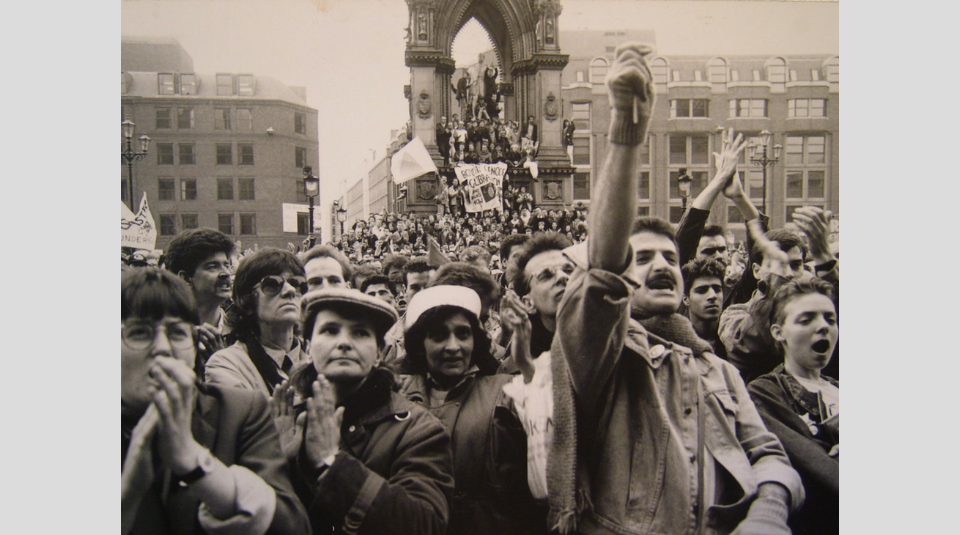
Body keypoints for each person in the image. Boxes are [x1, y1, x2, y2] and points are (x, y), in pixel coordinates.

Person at [546, 43, 802, 535]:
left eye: (669, 257)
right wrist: (626, 135)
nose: (662, 264)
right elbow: (601, 274)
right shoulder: (604, 357)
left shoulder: (719, 369)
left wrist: (767, 513)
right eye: (641, 258)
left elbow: (768, 454)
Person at [121, 268, 310, 535]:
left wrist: (194, 462)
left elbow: (291, 526)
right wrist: (130, 490)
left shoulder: (239, 410)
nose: (162, 348)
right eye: (140, 333)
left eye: (177, 333)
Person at [271, 289, 454, 534]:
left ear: (379, 353)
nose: (344, 342)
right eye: (330, 330)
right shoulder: (284, 418)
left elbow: (424, 524)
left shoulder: (419, 429)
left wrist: (332, 464)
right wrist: (278, 465)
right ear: (308, 346)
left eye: (360, 333)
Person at [398, 286, 545, 535]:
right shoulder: (396, 396)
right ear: (420, 344)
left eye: (463, 334)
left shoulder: (507, 390)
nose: (453, 346)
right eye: (439, 335)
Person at [748, 277, 839, 535]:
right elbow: (813, 465)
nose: (823, 326)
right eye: (806, 319)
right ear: (779, 332)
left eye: (830, 319)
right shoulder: (766, 391)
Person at [719, 212, 839, 383]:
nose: (788, 273)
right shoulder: (734, 314)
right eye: (777, 264)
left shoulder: (817, 312)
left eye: (796, 265)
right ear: (756, 270)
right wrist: (775, 282)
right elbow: (750, 345)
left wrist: (824, 259)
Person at [205, 249, 308, 397]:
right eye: (272, 284)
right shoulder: (227, 365)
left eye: (297, 283)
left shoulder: (318, 357)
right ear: (246, 300)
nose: (290, 290)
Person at [163, 228, 236, 373]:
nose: (226, 273)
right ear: (184, 278)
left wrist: (221, 364)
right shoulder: (162, 334)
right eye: (212, 266)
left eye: (227, 265)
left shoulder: (242, 331)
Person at [681, 257, 728, 360]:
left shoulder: (732, 337)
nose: (713, 296)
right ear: (686, 299)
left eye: (717, 289)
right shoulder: (677, 340)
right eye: (702, 290)